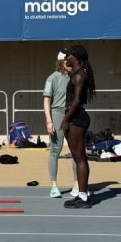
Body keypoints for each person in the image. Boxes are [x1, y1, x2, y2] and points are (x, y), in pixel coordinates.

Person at [60, 45, 96, 209]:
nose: (65, 58)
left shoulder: (80, 75)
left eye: (67, 55)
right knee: (77, 157)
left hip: (76, 118)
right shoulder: (75, 74)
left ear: (75, 57)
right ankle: (82, 194)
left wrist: (66, 119)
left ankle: (83, 197)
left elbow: (76, 101)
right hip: (74, 117)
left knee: (80, 158)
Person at [43, 51, 78, 198]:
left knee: (76, 151)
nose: (69, 62)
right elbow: (46, 100)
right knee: (55, 151)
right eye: (67, 60)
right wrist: (49, 120)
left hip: (72, 113)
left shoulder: (75, 76)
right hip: (57, 114)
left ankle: (77, 185)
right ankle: (54, 186)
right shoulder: (52, 78)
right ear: (61, 62)